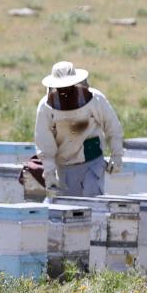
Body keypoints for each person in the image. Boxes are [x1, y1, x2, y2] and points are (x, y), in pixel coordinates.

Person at [34, 61, 124, 197]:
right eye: (60, 87)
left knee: (93, 202)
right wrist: (49, 173)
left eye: (67, 86)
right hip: (64, 165)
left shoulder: (95, 99)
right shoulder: (46, 107)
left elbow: (112, 127)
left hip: (93, 162)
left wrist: (116, 155)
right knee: (71, 210)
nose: (64, 91)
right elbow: (44, 142)